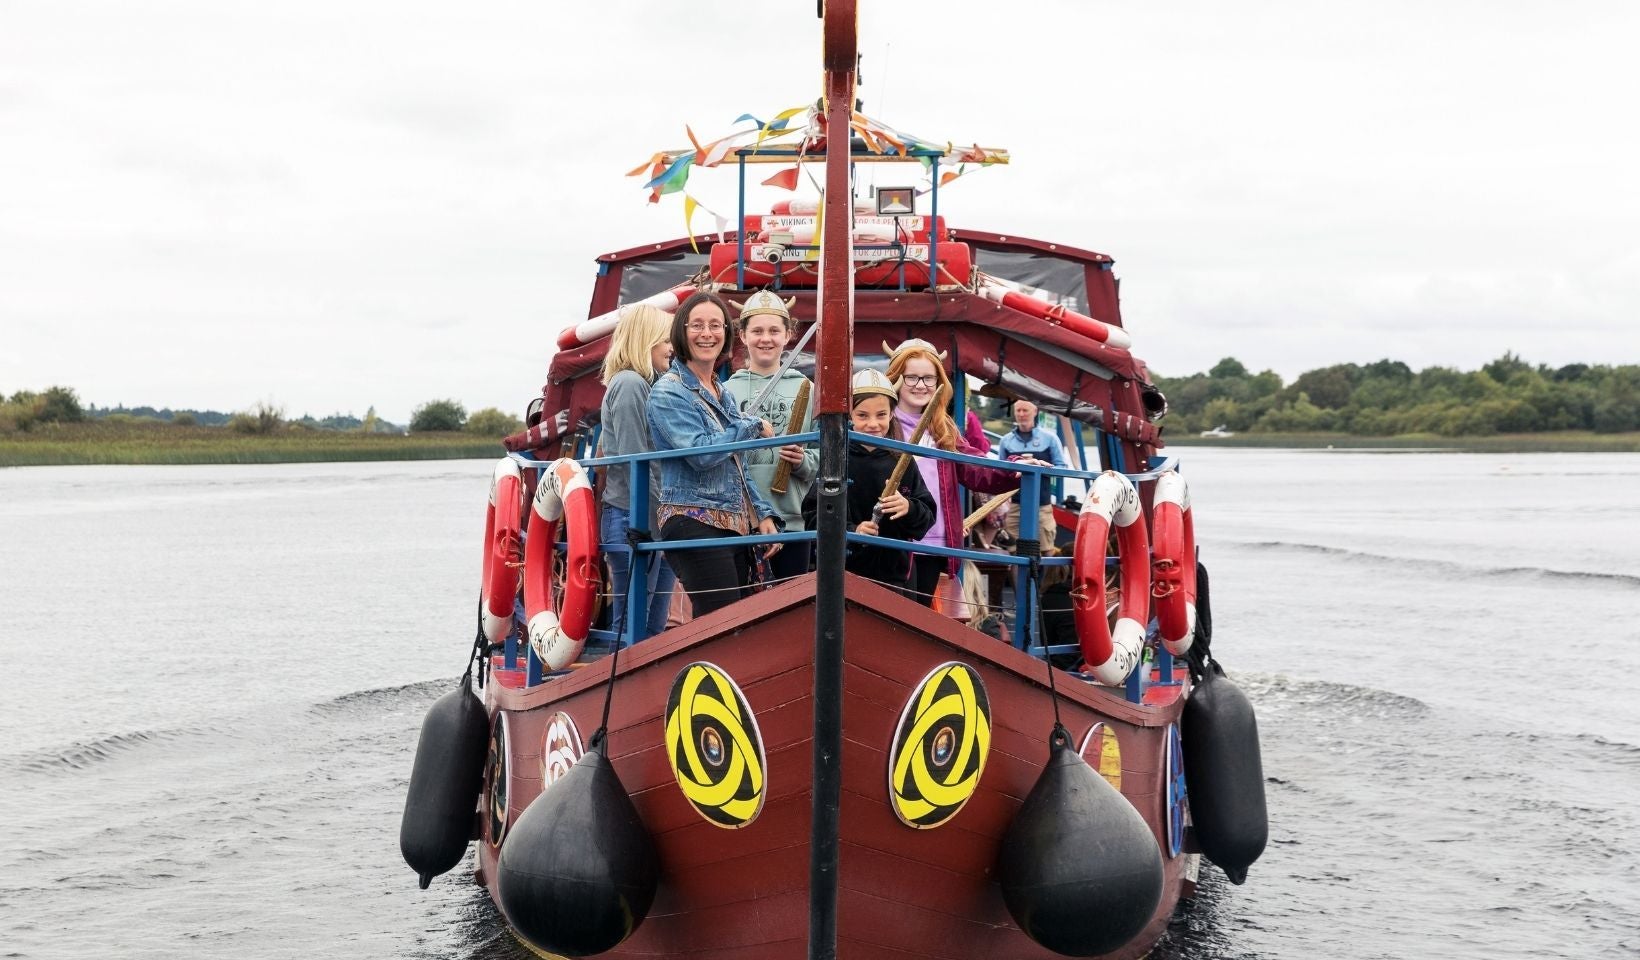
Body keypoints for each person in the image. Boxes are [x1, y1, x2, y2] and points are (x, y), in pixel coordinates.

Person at [647, 290, 783, 618]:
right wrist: (751, 426)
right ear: (681, 331)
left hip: (732, 521)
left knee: (738, 620)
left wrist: (762, 514)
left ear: (726, 333)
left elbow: (737, 463)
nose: (707, 333)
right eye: (697, 325)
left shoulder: (721, 391)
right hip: (691, 517)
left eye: (715, 325)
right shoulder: (668, 392)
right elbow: (701, 454)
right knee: (719, 620)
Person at [884, 339, 1042, 607]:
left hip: (937, 540)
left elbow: (975, 467)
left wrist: (1015, 468)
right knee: (895, 615)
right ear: (896, 379)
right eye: (911, 377)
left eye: (928, 378)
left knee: (920, 615)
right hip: (897, 539)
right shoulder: (883, 426)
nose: (920, 385)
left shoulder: (942, 429)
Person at [801, 369, 934, 595]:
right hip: (842, 575)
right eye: (863, 415)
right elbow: (813, 515)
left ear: (892, 414)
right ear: (850, 415)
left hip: (893, 578)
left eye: (881, 415)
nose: (873, 424)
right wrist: (852, 531)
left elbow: (926, 518)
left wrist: (908, 507)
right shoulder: (835, 459)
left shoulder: (903, 459)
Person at [723, 289, 818, 582]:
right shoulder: (724, 391)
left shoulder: (809, 389)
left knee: (787, 612)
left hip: (791, 519)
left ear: (788, 334)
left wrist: (804, 461)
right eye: (758, 331)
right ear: (743, 336)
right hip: (738, 519)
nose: (766, 338)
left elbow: (823, 451)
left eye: (774, 330)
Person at [596, 303, 678, 644]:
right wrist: (660, 523)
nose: (672, 348)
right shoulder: (630, 385)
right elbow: (636, 459)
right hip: (636, 516)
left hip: (649, 512)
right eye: (666, 340)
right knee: (633, 628)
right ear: (647, 340)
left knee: (651, 630)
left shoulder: (647, 385)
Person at [996, 397, 1071, 548]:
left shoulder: (1050, 439)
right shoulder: (1006, 441)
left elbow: (1062, 468)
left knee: (1046, 550)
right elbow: (999, 471)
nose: (1022, 414)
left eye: (1025, 410)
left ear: (1035, 411)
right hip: (1015, 505)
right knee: (1012, 551)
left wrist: (1040, 468)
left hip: (1042, 504)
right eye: (1018, 410)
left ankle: (1045, 572)